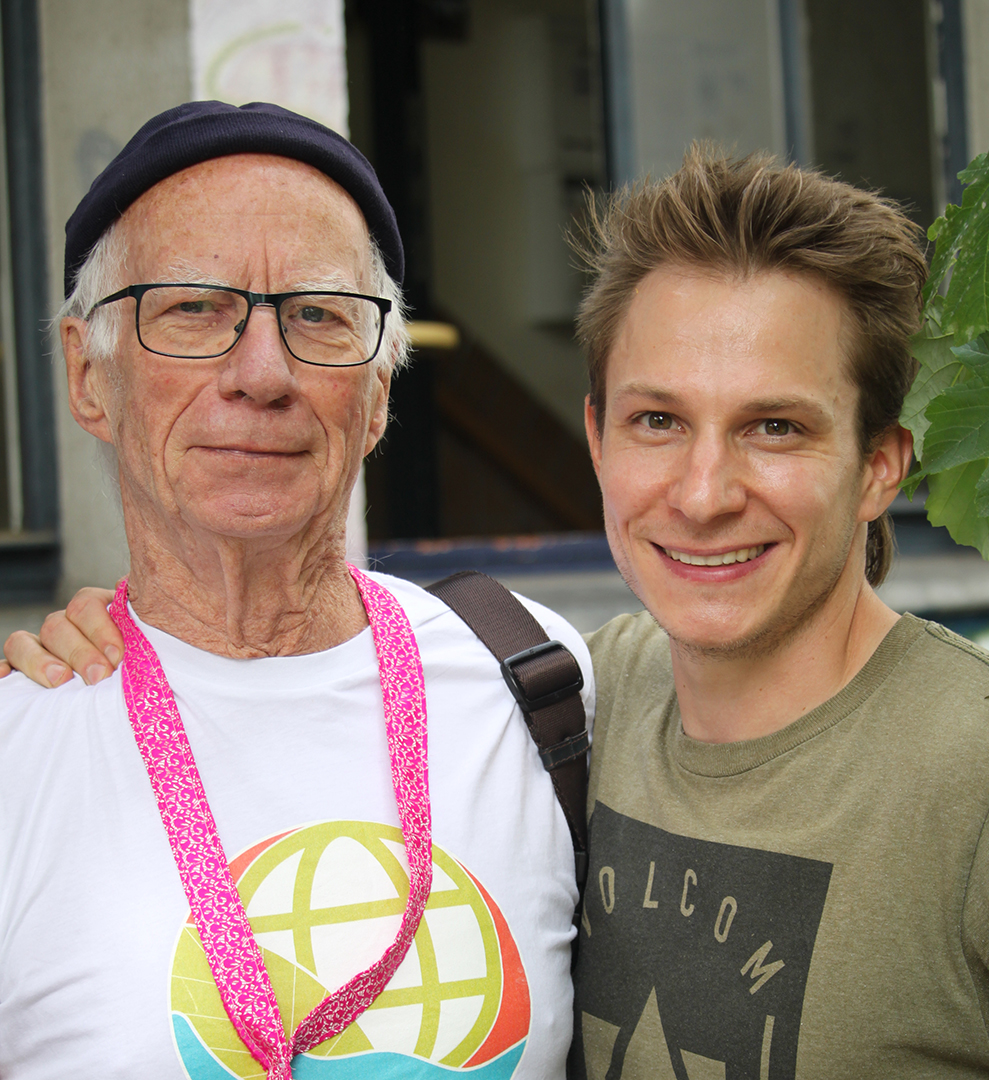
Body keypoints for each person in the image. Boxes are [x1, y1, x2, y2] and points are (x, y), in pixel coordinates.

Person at [10, 147, 989, 1078]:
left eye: (776, 428)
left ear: (881, 465)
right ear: (597, 438)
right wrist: (109, 667)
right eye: (658, 420)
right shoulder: (589, 686)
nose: (705, 493)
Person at [0, 100, 593, 1079]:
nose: (262, 373)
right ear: (87, 374)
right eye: (193, 308)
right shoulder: (22, 751)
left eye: (318, 315)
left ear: (379, 393)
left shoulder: (538, 686)